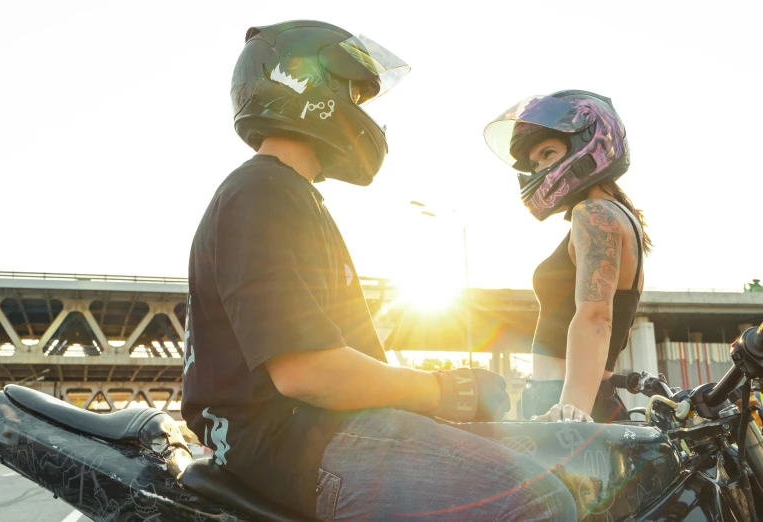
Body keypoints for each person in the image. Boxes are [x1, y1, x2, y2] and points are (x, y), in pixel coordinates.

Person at [182, 20, 577, 521]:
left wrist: (437, 393)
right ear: (306, 85)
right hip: (297, 442)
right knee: (542, 500)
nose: (364, 115)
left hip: (304, 437)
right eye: (355, 94)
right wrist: (447, 391)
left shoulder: (286, 195)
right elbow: (307, 372)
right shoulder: (264, 192)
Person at [484, 91, 653, 424]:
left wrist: (570, 409)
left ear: (590, 144)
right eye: (535, 163)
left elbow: (596, 319)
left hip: (568, 404)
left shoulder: (593, 214)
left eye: (549, 153)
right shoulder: (617, 215)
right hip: (578, 402)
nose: (542, 169)